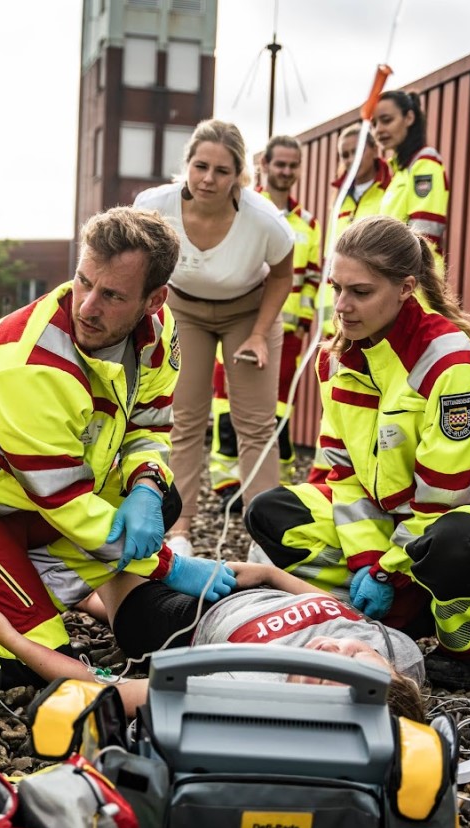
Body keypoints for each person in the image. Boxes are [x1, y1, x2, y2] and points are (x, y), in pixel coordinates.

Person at [0, 206, 237, 688]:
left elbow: (150, 423)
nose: (87, 306)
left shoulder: (159, 333)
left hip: (20, 499)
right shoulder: (31, 365)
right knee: (19, 665)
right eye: (82, 281)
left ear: (155, 299)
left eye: (111, 294)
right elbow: (64, 503)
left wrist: (149, 487)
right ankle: (23, 578)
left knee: (163, 498)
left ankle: (31, 576)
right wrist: (171, 566)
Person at [244, 216, 470, 688]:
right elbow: (341, 475)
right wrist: (369, 559)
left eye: (360, 292)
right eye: (337, 288)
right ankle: (389, 622)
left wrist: (385, 573)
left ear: (407, 287)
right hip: (396, 523)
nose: (342, 307)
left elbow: (442, 499)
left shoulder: (454, 366)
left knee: (454, 542)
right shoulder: (340, 359)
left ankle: (466, 647)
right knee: (273, 512)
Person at [0, 563, 426, 722]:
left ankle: (87, 594)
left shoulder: (247, 686)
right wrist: (271, 574)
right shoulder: (399, 656)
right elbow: (343, 612)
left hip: (180, 622)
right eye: (356, 657)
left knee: (115, 544)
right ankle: (87, 599)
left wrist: (11, 638)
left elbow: (110, 690)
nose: (332, 651)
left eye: (327, 677)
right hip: (245, 584)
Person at [133, 119, 296, 557]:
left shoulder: (265, 220)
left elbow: (283, 274)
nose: (208, 179)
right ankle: (179, 529)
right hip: (184, 308)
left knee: (256, 425)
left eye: (221, 171)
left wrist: (261, 335)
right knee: (184, 418)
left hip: (249, 309)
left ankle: (265, 538)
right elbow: (137, 259)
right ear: (186, 165)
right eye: (200, 166)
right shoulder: (153, 204)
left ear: (239, 175)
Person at [209, 135, 322, 513]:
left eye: (293, 165)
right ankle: (228, 481)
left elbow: (311, 281)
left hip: (287, 335)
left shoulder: (308, 224)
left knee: (278, 408)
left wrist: (303, 324)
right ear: (264, 164)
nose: (286, 172)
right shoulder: (241, 210)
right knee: (228, 403)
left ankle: (277, 484)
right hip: (239, 325)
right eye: (280, 164)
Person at [308, 122, 391, 484]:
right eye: (343, 154)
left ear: (374, 151)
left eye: (355, 150)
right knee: (336, 390)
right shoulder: (339, 197)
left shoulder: (389, 191)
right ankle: (327, 468)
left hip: (374, 315)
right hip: (341, 315)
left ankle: (372, 472)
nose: (349, 160)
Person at [372, 90, 450, 271]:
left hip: (416, 281)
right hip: (396, 279)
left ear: (409, 118)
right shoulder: (400, 173)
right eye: (374, 124)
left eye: (386, 120)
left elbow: (425, 234)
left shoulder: (425, 164)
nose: (379, 130)